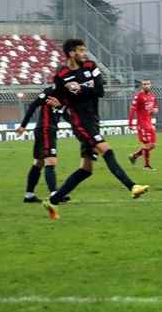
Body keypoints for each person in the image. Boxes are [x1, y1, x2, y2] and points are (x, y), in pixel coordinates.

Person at [42, 39, 149, 220]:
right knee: (106, 150)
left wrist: (79, 88)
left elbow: (100, 90)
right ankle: (132, 186)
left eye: (85, 50)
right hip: (79, 122)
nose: (85, 53)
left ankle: (53, 200)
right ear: (71, 53)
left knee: (86, 169)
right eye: (81, 50)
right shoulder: (61, 75)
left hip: (93, 119)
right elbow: (58, 100)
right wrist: (64, 99)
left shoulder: (91, 66)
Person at [15, 87, 66, 203]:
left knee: (39, 162)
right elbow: (33, 105)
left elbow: (64, 114)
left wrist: (59, 107)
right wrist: (23, 126)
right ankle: (54, 194)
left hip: (48, 129)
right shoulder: (50, 92)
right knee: (50, 161)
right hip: (45, 129)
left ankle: (29, 195)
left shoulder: (67, 95)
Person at [128, 79, 159, 171]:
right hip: (142, 124)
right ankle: (146, 166)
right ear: (142, 86)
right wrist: (130, 123)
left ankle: (134, 156)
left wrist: (155, 110)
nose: (146, 86)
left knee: (153, 145)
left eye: (148, 84)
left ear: (150, 85)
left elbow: (156, 107)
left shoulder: (152, 96)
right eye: (144, 84)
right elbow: (132, 110)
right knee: (147, 145)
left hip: (149, 123)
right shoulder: (138, 96)